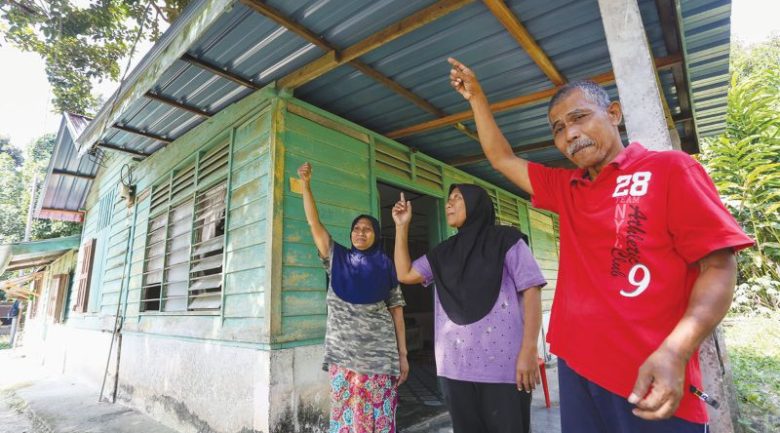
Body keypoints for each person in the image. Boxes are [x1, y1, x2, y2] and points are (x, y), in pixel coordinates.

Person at [446, 57, 754, 432]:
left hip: (649, 377)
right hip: (578, 371)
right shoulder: (567, 188)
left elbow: (719, 267)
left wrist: (677, 350)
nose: (569, 135)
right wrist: (477, 98)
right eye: (558, 128)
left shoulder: (670, 169)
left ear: (613, 113)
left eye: (579, 118)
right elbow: (501, 158)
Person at [393, 184, 545, 433]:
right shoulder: (443, 252)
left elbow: (531, 289)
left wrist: (529, 350)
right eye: (448, 199)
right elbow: (405, 273)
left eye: (457, 198)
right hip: (455, 369)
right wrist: (401, 227)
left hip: (504, 368)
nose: (448, 204)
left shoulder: (506, 240)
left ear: (476, 204)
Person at [297, 162, 408, 433]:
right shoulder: (337, 258)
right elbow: (314, 222)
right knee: (347, 421)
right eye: (356, 228)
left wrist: (403, 355)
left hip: (381, 358)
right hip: (344, 358)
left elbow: (396, 311)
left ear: (376, 235)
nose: (360, 232)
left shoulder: (385, 265)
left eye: (367, 228)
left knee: (378, 421)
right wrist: (306, 185)